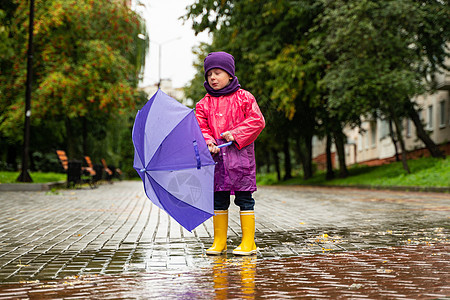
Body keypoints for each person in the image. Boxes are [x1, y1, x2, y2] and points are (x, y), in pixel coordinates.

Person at [195, 51, 265, 255]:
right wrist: (208, 142)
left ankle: (248, 242)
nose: (213, 78)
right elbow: (201, 127)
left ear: (230, 75)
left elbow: (257, 121)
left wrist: (235, 134)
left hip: (241, 161)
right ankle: (219, 242)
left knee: (245, 199)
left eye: (217, 73)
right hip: (218, 162)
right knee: (219, 199)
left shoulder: (244, 98)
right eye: (209, 74)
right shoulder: (203, 104)